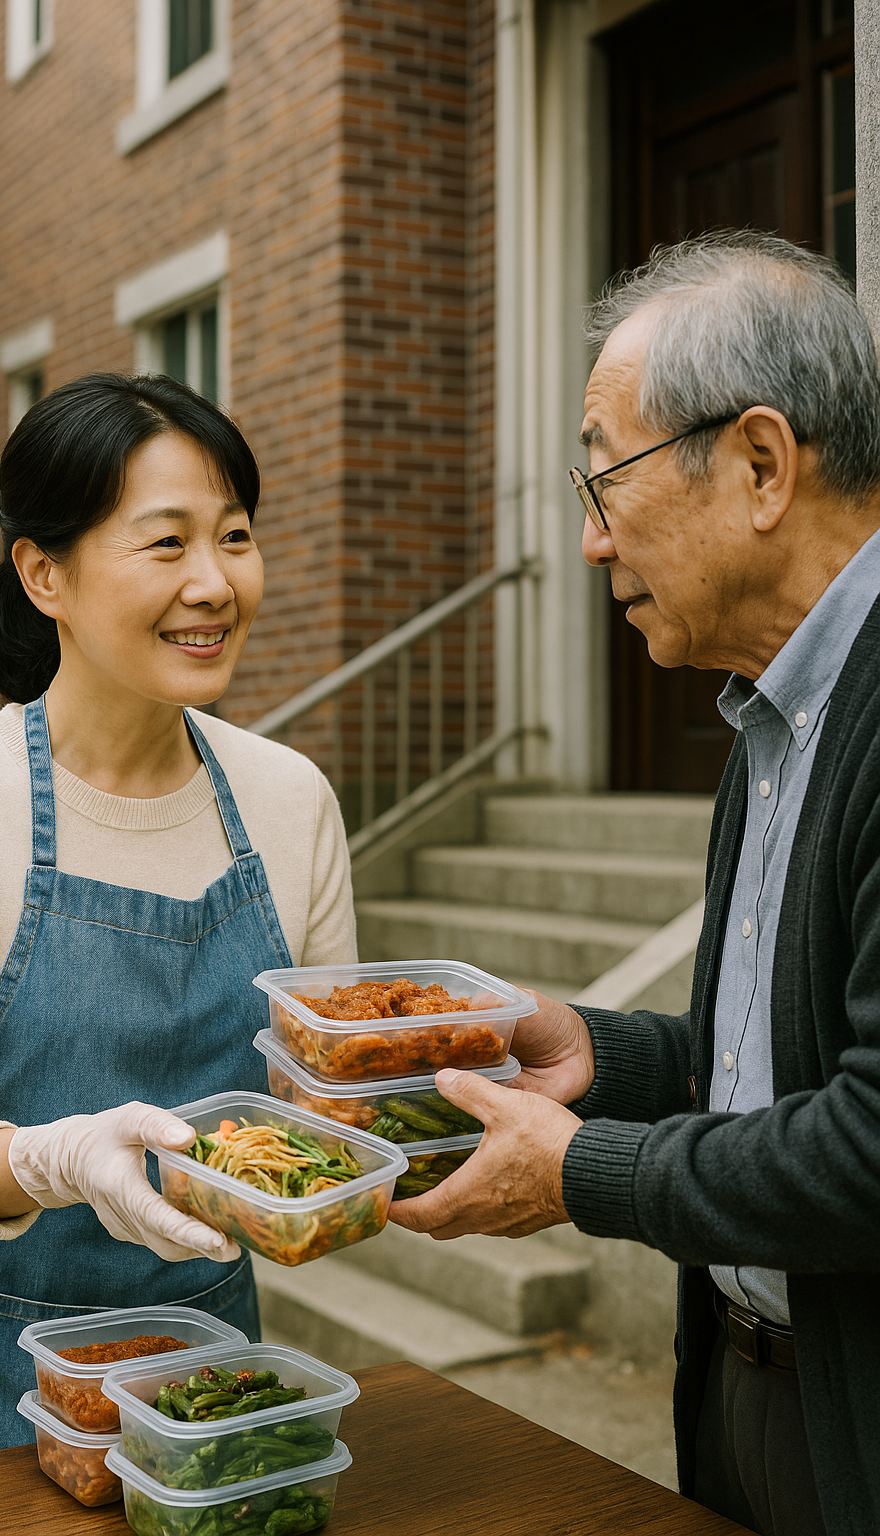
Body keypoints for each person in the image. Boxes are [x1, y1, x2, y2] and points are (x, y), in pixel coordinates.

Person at [390, 232, 880, 1536]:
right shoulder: (773, 714)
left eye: (606, 479)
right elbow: (780, 1071)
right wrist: (592, 1056)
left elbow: (868, 1145)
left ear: (761, 466)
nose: (591, 543)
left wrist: (583, 1171)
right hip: (744, 1394)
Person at [0, 373, 355, 1472]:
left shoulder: (291, 802)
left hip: (207, 1371)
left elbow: (317, 1093)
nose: (214, 583)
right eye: (166, 543)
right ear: (45, 574)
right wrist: (57, 1160)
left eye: (234, 536)